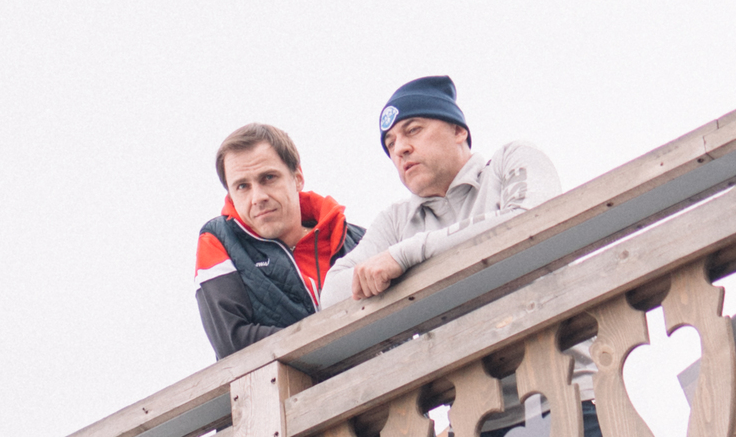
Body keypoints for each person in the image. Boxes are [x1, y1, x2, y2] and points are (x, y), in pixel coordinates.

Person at [321, 76, 559, 305]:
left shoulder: (511, 159)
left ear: (458, 131)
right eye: (390, 143)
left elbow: (533, 219)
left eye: (413, 130)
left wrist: (409, 254)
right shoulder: (395, 221)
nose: (400, 149)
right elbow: (331, 293)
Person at [196, 124, 363, 358]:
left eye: (268, 178)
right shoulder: (218, 240)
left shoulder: (356, 238)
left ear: (297, 178)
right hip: (290, 381)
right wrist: (330, 340)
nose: (258, 197)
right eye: (242, 186)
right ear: (231, 195)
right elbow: (232, 341)